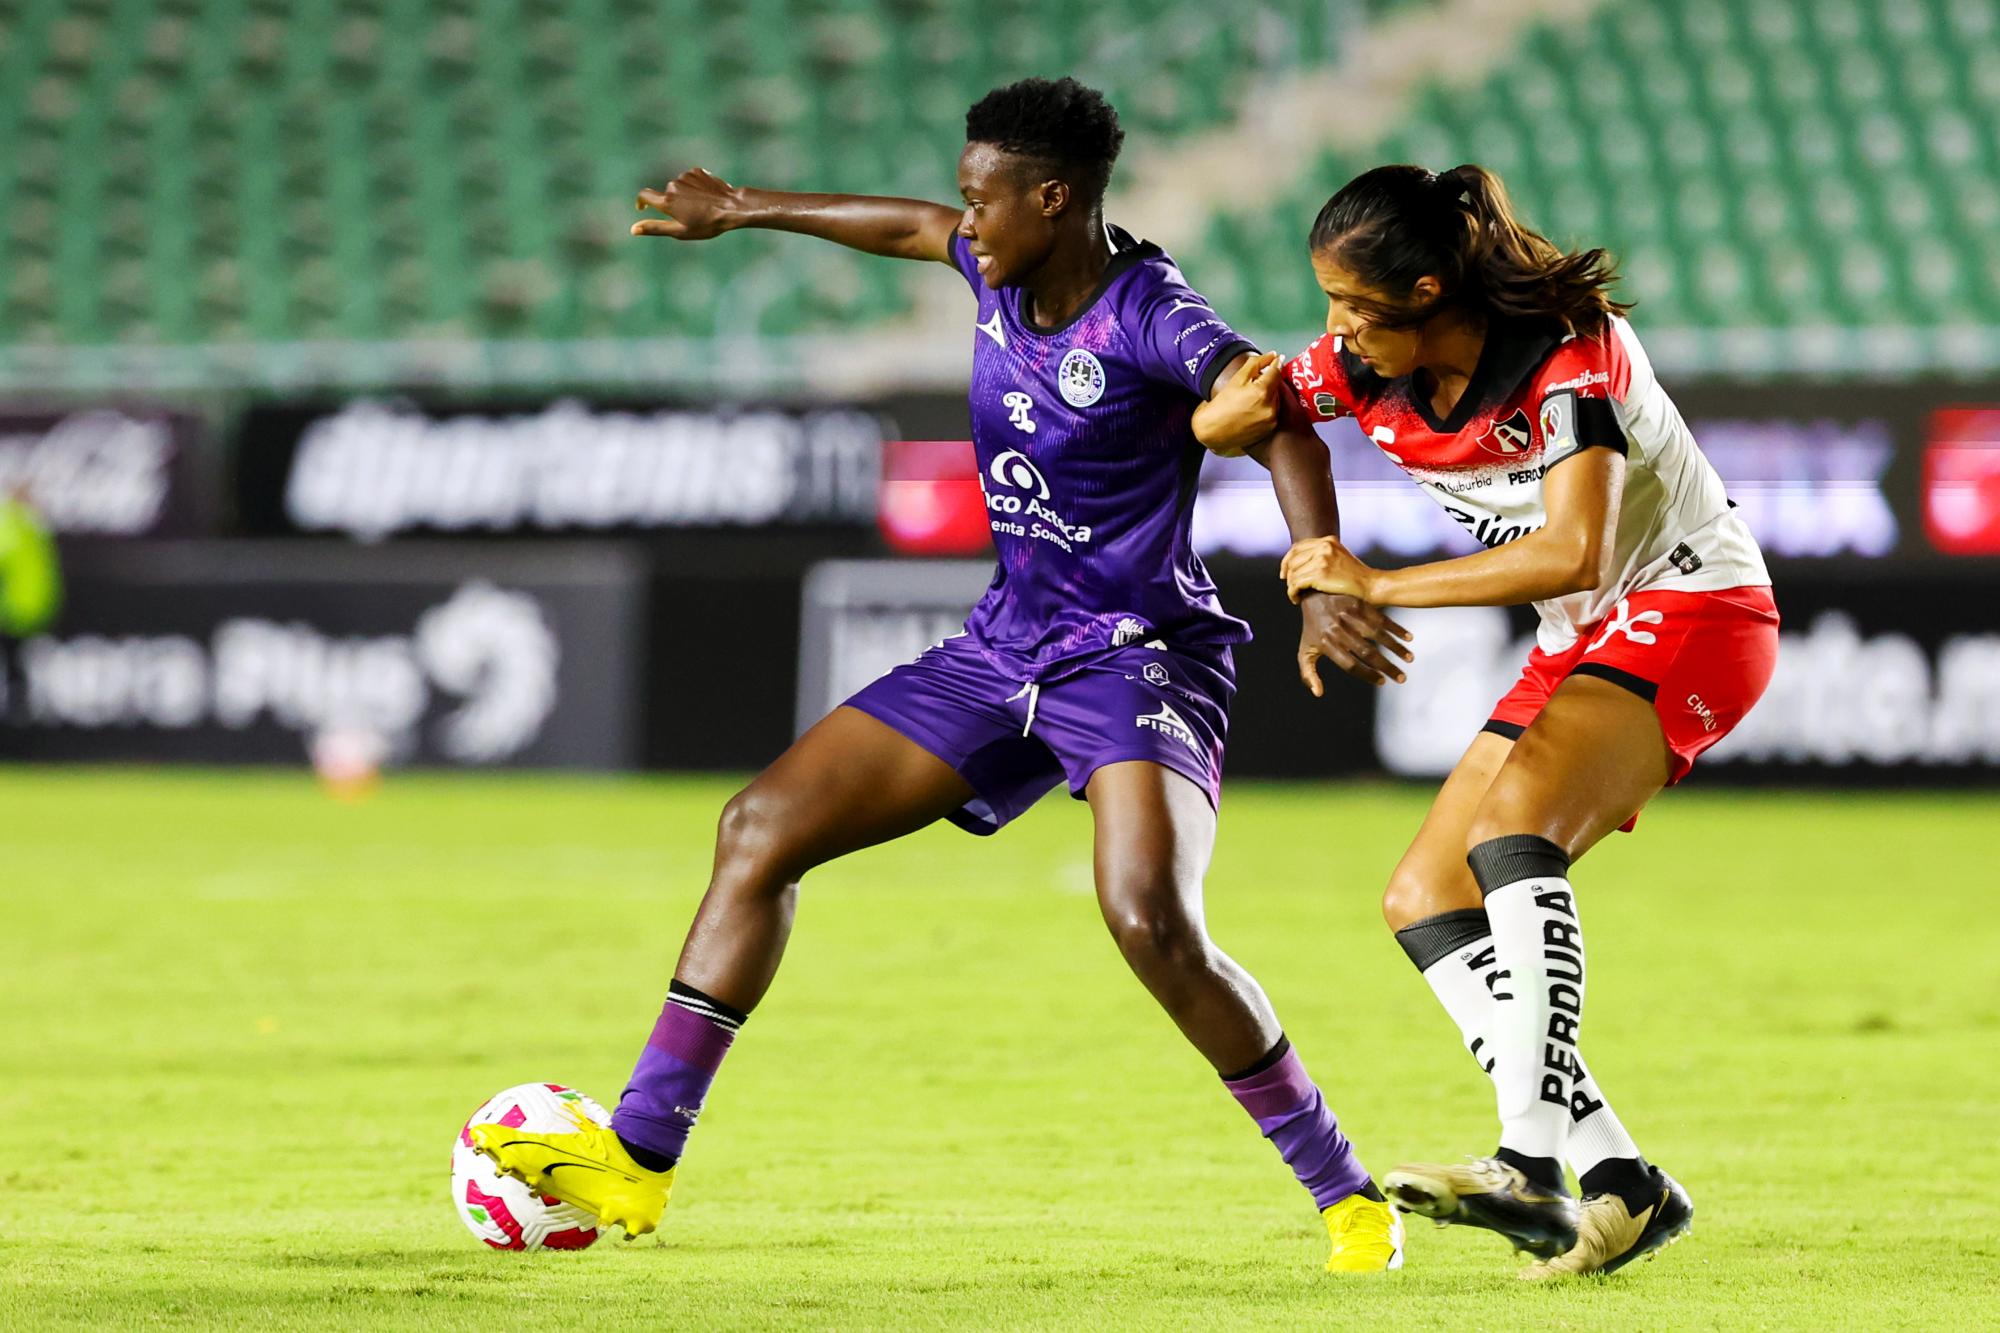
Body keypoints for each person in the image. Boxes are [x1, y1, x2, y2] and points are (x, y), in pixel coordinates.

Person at [472, 78, 1413, 1273]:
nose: (962, 223)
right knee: (758, 827)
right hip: (999, 647)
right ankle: (639, 1158)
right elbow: (907, 225)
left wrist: (1319, 572)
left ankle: (1345, 1196)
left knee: (1150, 921)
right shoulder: (992, 268)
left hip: (1134, 659)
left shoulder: (1150, 315)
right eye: (966, 200)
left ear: (1053, 199)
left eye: (983, 202)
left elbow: (1274, 414)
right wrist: (746, 208)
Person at [1192, 163, 1777, 1278]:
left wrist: (1371, 582)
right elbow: (1240, 417)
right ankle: (1617, 1180)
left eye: (1358, 308)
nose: (1338, 331)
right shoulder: (1363, 364)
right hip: (1580, 640)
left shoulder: (1569, 351)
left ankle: (1527, 1162)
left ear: (1426, 290)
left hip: (1692, 605)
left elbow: (1574, 553)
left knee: (1514, 836)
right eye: (1325, 305)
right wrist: (1225, 416)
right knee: (1423, 895)